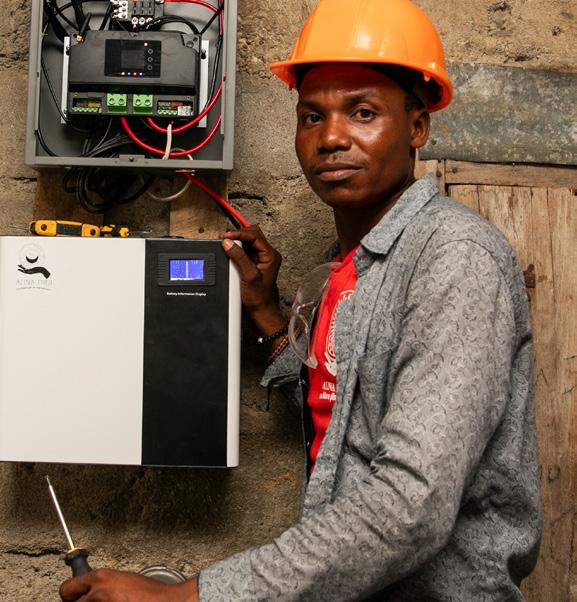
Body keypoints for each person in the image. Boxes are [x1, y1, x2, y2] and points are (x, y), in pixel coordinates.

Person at [59, 0, 541, 600]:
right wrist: (266, 312)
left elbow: (409, 506)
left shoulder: (454, 258)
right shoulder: (348, 266)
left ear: (417, 127)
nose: (331, 137)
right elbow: (341, 418)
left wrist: (187, 596)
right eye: (311, 116)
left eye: (363, 112)